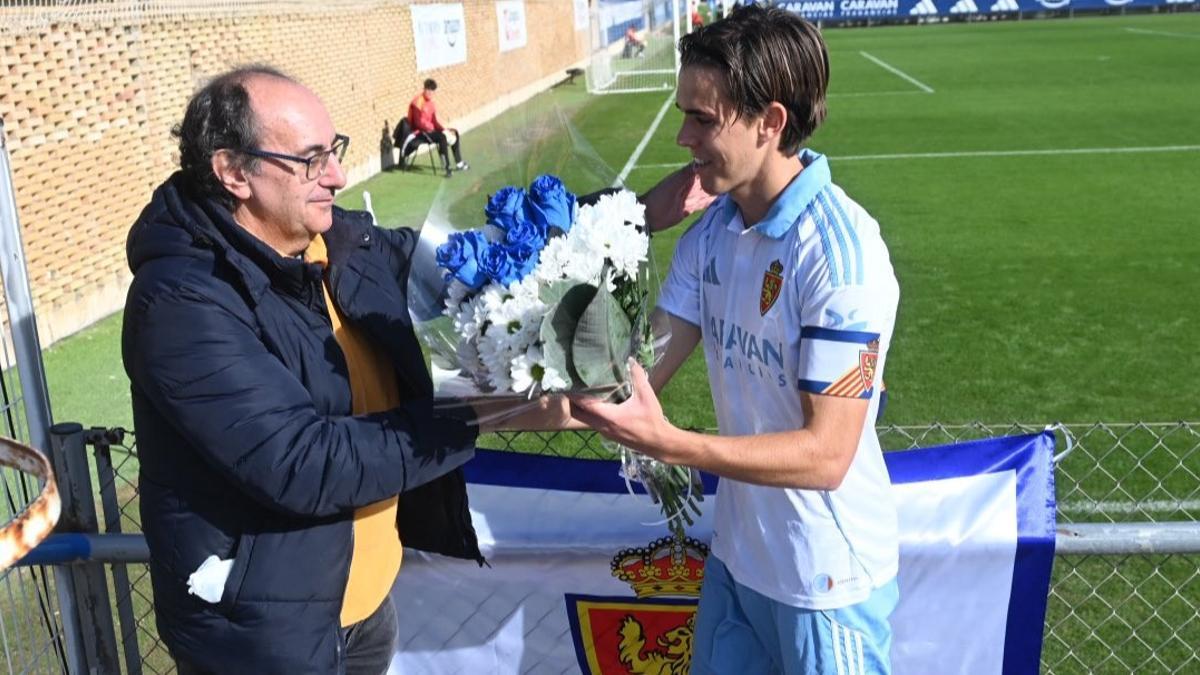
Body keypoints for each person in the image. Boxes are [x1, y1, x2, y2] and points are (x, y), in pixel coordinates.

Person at [571, 6, 901, 675]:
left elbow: (826, 454)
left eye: (703, 118)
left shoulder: (840, 256)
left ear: (771, 121)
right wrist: (479, 401)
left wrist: (669, 443)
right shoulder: (712, 235)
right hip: (739, 561)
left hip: (823, 584)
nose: (682, 137)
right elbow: (633, 377)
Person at [408, 78, 468, 178]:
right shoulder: (417, 102)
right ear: (424, 89)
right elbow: (417, 123)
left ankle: (459, 163)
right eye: (428, 90)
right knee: (441, 138)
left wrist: (444, 129)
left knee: (454, 132)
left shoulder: (431, 103)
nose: (430, 93)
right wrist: (431, 129)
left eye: (432, 91)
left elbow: (434, 122)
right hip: (419, 132)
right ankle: (447, 168)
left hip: (430, 131)